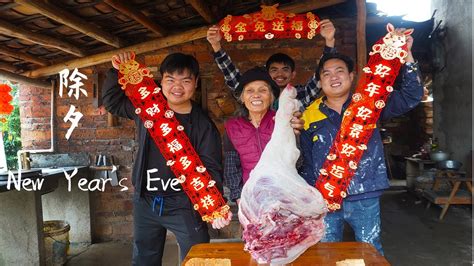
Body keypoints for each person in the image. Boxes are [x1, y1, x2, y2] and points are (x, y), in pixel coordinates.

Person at [299, 32, 423, 255]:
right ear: (320, 81)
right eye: (326, 74)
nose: (333, 77)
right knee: (326, 253)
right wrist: (310, 199)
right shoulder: (308, 115)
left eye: (339, 71)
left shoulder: (369, 104)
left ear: (351, 75)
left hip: (365, 194)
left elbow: (411, 96)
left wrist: (407, 55)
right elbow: (307, 160)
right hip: (325, 198)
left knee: (370, 251)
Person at [102, 52, 231, 265]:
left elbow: (212, 167)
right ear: (161, 81)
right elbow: (112, 102)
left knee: (198, 258)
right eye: (170, 80)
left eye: (185, 80)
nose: (177, 87)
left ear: (196, 83)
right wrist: (116, 70)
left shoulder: (203, 126)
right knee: (144, 259)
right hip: (146, 201)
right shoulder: (148, 109)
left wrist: (215, 206)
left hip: (185, 205)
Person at [206, 19, 336, 110]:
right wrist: (216, 45)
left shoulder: (301, 94)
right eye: (274, 70)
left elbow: (321, 75)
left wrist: (329, 41)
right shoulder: (257, 95)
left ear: (293, 74)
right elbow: (231, 75)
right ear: (266, 74)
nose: (280, 74)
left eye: (285, 69)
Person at [223, 66, 280, 204]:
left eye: (263, 90)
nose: (256, 95)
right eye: (249, 91)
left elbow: (298, 160)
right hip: (250, 196)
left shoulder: (281, 121)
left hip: (283, 195)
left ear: (271, 97)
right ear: (242, 97)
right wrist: (238, 197)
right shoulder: (233, 127)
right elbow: (231, 165)